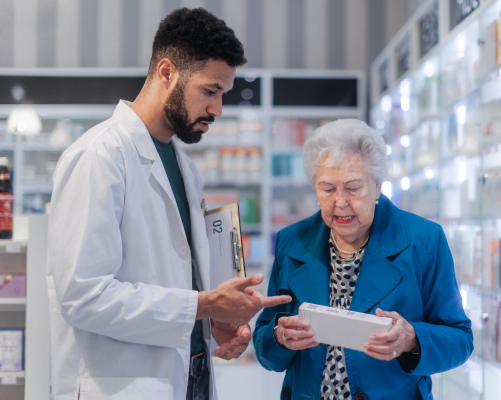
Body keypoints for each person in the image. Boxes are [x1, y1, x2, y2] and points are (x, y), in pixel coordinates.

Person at [47, 8, 290, 400]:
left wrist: (213, 322)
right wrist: (204, 304)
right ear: (166, 72)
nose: (217, 110)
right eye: (210, 91)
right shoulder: (99, 156)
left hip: (189, 375)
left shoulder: (185, 167)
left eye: (222, 95)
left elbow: (175, 278)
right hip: (121, 384)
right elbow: (83, 296)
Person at [253, 119, 473, 400]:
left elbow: (461, 339)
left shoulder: (424, 240)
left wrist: (411, 339)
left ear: (377, 186)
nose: (341, 202)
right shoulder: (291, 241)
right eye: (327, 188)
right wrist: (279, 337)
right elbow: (266, 348)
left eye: (354, 187)